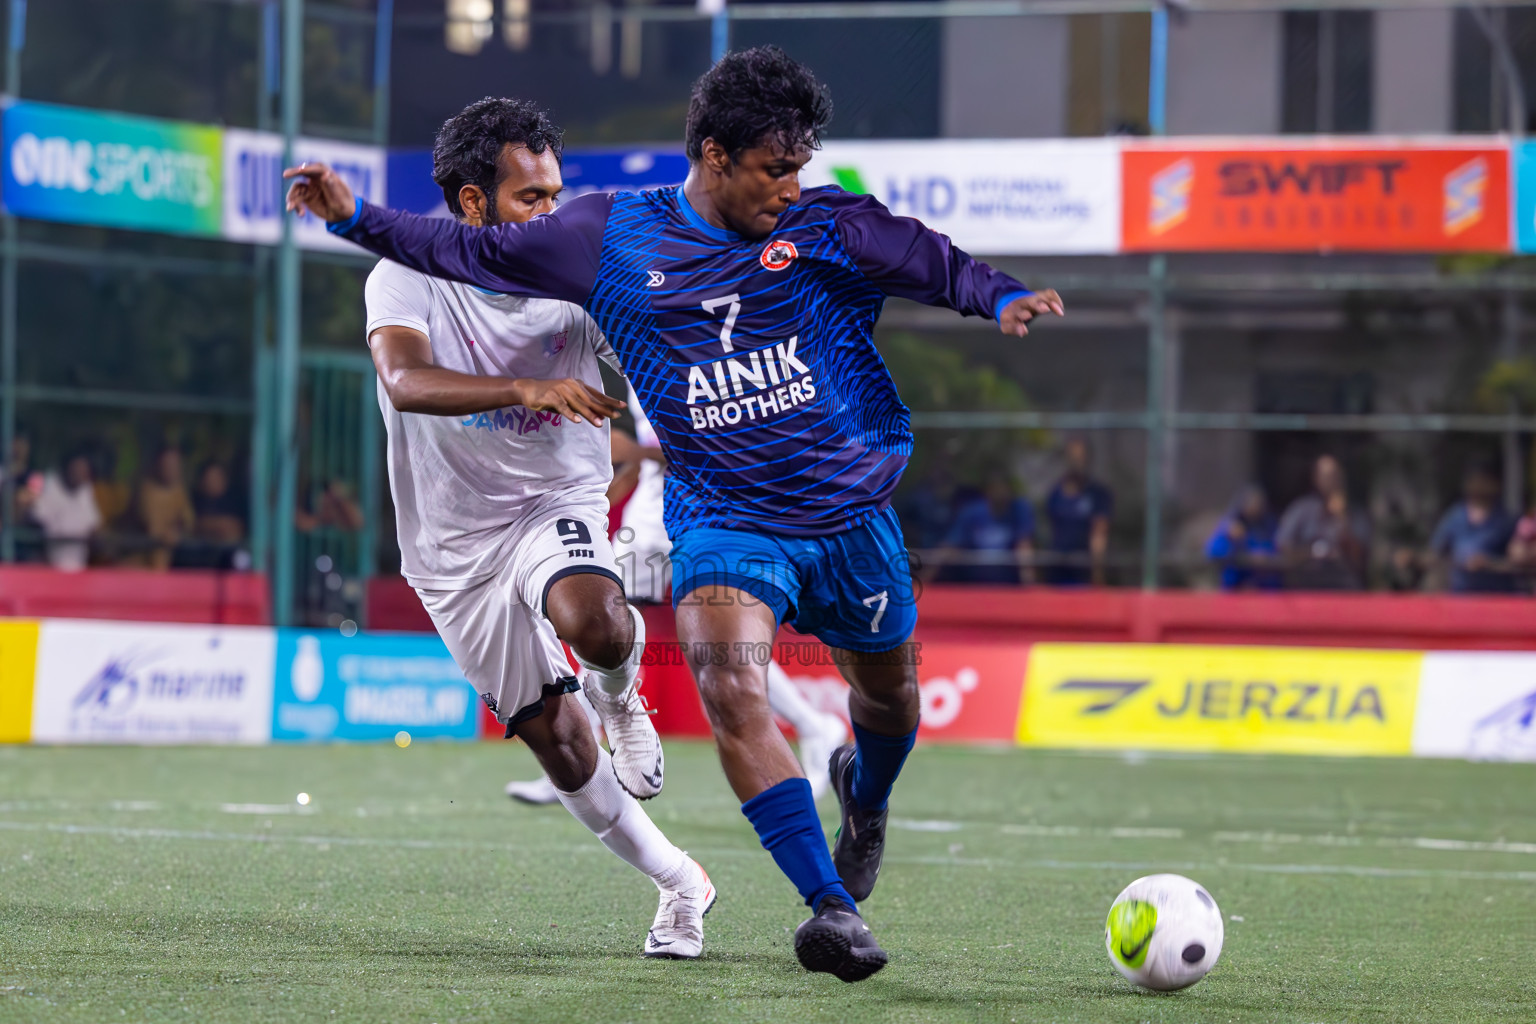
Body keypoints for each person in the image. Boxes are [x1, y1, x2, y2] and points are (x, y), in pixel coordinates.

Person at [286, 47, 1062, 982]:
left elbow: (924, 257)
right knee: (721, 694)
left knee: (888, 698)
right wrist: (354, 218)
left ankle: (859, 787)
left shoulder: (823, 223)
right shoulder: (602, 239)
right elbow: (450, 272)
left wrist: (999, 294)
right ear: (714, 153)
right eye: (776, 166)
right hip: (703, 520)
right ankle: (827, 907)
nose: (792, 183)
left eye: (799, 165)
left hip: (840, 511)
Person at [359, 98, 713, 958]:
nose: (551, 215)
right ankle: (679, 883)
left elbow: (657, 361)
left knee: (592, 618)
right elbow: (405, 381)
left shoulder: (582, 271)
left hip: (554, 501)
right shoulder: (404, 277)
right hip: (449, 549)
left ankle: (621, 698)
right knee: (555, 743)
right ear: (472, 205)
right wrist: (526, 388)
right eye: (530, 199)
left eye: (556, 195)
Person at [508, 385, 850, 805]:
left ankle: (813, 725)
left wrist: (631, 452)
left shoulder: (689, 347)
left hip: (709, 509)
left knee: (723, 645)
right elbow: (653, 444)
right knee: (602, 624)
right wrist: (621, 477)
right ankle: (582, 757)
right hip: (654, 511)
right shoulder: (630, 355)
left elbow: (708, 445)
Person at [1276, 454, 1372, 590]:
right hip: (1306, 581)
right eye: (1325, 475)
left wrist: (1343, 519)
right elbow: (1283, 544)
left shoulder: (1354, 513)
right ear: (1315, 477)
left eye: (1334, 475)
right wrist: (1310, 553)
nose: (1330, 480)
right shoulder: (1301, 509)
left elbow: (1360, 559)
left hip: (1342, 583)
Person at [923, 471, 1036, 584]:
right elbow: (950, 545)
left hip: (1008, 584)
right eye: (995, 488)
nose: (999, 493)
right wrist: (925, 579)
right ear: (987, 490)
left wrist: (1028, 581)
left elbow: (1023, 546)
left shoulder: (1019, 510)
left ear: (1010, 490)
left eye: (1003, 488)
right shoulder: (971, 512)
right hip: (974, 584)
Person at [1424, 464, 1517, 594]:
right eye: (1476, 481)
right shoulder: (1456, 515)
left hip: (1496, 595)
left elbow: (1518, 564)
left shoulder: (1506, 520)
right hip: (1460, 594)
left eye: (1485, 481)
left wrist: (1490, 564)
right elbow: (1436, 551)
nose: (1480, 486)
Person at [1043, 437, 1113, 586]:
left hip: (1083, 573)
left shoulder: (1098, 494)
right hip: (1057, 571)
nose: (1076, 462)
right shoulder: (1055, 494)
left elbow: (1099, 534)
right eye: (1072, 457)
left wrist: (1097, 572)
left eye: (1080, 458)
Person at [29, 451, 101, 571]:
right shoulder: (49, 484)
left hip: (79, 570)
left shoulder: (86, 490)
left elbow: (94, 527)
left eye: (83, 471)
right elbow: (37, 524)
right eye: (76, 469)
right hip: (47, 568)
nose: (79, 473)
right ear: (68, 468)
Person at [1205, 485, 1281, 591]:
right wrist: (1228, 536)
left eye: (1259, 503)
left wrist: (1263, 554)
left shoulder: (1268, 525)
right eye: (1252, 503)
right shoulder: (1230, 525)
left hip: (1263, 586)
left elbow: (1277, 549)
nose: (1255, 507)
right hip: (1235, 586)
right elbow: (1212, 552)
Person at [136, 446, 195, 570]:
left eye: (175, 465)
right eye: (167, 464)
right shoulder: (147, 491)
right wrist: (169, 534)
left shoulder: (180, 490)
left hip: (176, 557)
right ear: (158, 465)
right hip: (144, 558)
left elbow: (188, 522)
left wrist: (179, 530)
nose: (171, 469)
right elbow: (154, 529)